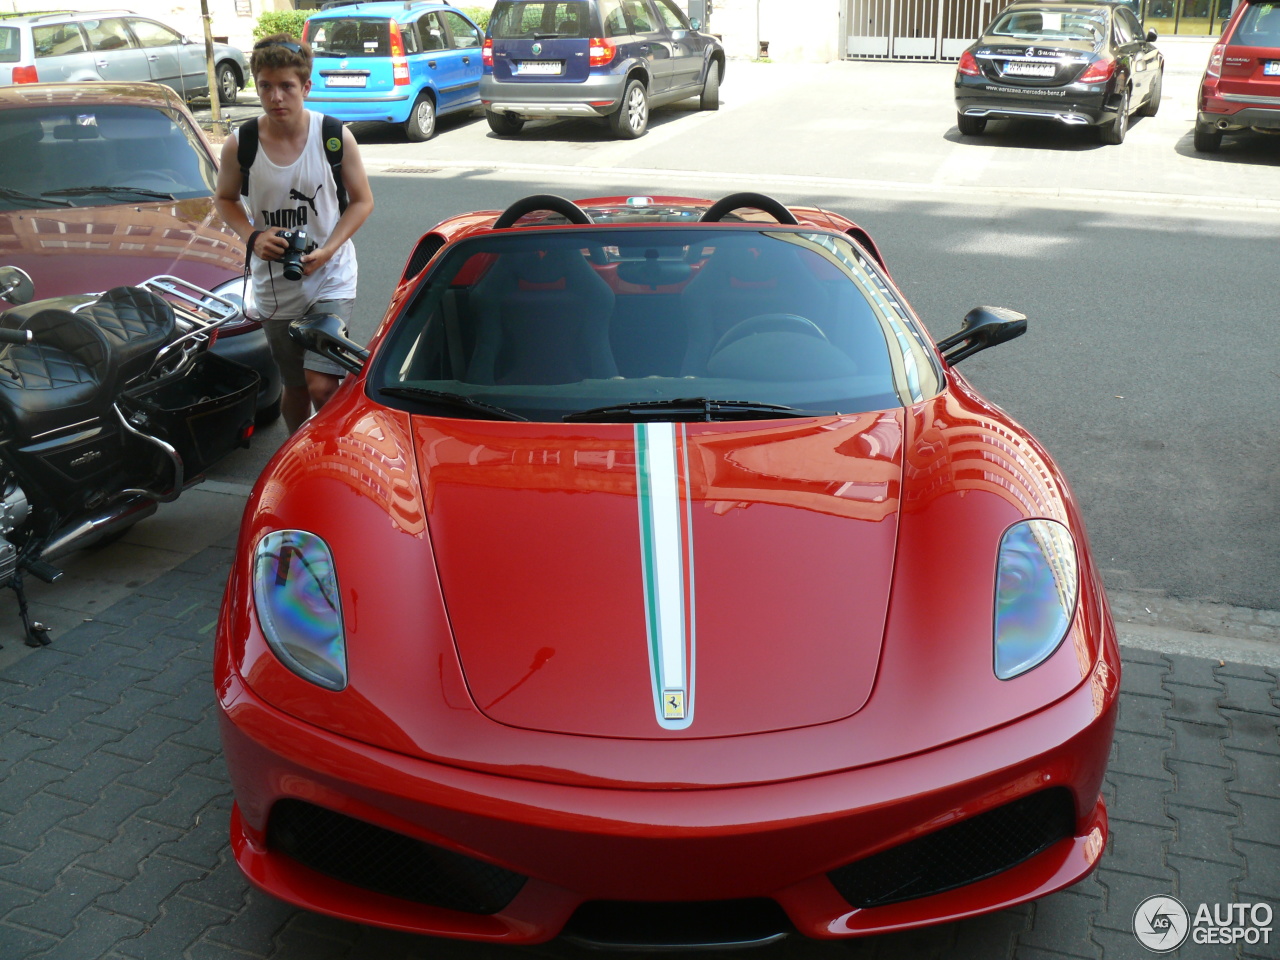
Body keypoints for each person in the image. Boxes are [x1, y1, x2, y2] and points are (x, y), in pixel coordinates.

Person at [214, 34, 374, 434]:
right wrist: (254, 237)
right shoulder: (242, 144)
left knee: (323, 385)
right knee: (297, 386)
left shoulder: (333, 136)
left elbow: (361, 201)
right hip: (275, 286)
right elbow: (225, 198)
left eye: (286, 86)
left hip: (330, 277)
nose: (275, 97)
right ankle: (295, 451)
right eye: (265, 85)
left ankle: (332, 452)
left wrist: (329, 249)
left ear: (305, 86)